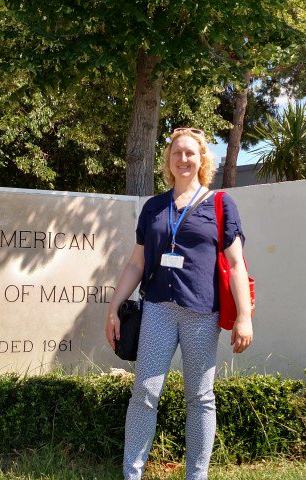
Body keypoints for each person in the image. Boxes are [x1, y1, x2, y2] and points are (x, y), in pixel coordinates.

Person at [105, 127, 254, 480]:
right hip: (157, 309)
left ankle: (196, 476)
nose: (183, 159)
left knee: (200, 398)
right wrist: (114, 306)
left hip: (202, 313)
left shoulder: (220, 204)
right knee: (143, 392)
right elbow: (136, 263)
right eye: (177, 153)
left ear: (202, 159)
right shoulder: (154, 207)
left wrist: (244, 317)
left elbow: (236, 265)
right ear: (168, 161)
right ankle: (132, 474)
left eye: (190, 153)